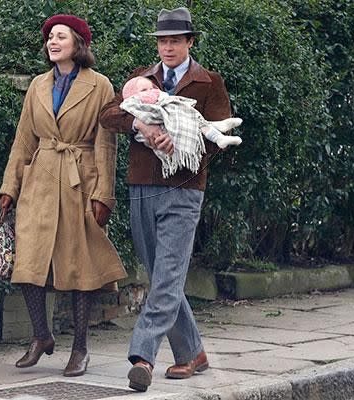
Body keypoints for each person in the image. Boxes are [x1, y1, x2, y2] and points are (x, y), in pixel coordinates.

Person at [99, 7, 237, 392]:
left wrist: (181, 145)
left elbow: (217, 139)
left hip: (184, 189)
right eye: (163, 41)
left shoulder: (209, 83)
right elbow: (109, 115)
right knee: (162, 275)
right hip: (141, 186)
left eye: (176, 40)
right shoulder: (140, 80)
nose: (168, 47)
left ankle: (142, 355)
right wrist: (140, 124)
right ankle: (193, 352)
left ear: (190, 42)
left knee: (167, 277)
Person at [0, 14, 127, 377]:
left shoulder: (99, 85)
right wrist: (9, 187)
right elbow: (24, 140)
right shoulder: (38, 85)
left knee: (78, 267)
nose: (52, 42)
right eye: (50, 37)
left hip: (78, 182)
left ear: (78, 44)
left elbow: (106, 143)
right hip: (39, 180)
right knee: (28, 263)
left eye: (61, 37)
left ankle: (80, 349)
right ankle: (41, 336)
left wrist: (104, 195)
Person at [121, 76, 242, 177]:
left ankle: (219, 135)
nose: (150, 91)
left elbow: (168, 102)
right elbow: (116, 113)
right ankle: (217, 130)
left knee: (185, 116)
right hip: (156, 144)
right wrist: (139, 123)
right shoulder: (132, 104)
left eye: (152, 88)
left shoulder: (210, 79)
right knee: (186, 119)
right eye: (144, 90)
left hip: (190, 180)